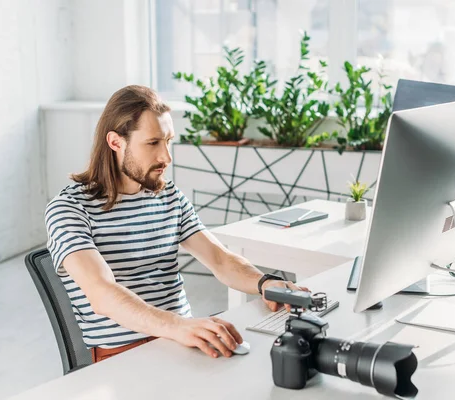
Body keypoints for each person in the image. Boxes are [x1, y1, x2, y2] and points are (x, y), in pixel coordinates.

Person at [44, 85, 308, 363]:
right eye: (153, 143)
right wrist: (178, 326)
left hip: (182, 341)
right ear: (115, 142)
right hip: (124, 357)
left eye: (168, 141)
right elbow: (101, 293)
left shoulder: (167, 195)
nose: (166, 157)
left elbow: (219, 258)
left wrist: (265, 282)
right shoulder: (69, 209)